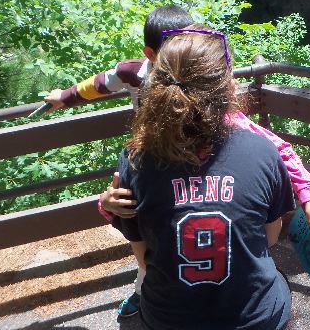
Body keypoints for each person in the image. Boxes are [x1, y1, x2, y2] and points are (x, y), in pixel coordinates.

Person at [43, 5, 310, 316]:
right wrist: (307, 197)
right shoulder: (238, 134)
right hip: (243, 303)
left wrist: (107, 205)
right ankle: (144, 290)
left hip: (165, 279)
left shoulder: (137, 154)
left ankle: (145, 294)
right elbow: (272, 215)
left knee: (154, 248)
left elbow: (101, 84)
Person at [112, 27, 294, 329]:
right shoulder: (262, 151)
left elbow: (143, 257)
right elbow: (270, 237)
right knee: (277, 281)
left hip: (168, 320)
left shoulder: (136, 159)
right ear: (228, 88)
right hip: (253, 319)